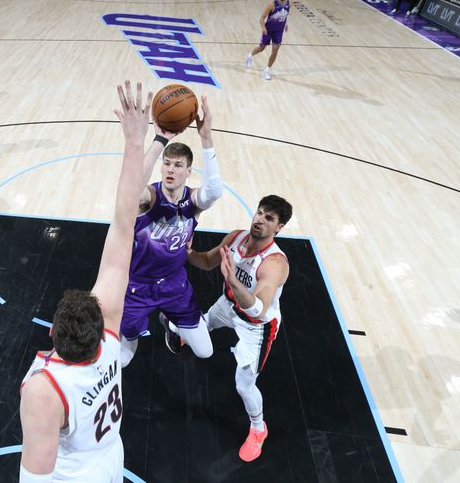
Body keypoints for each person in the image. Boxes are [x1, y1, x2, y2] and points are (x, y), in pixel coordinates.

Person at [19, 81, 150, 483]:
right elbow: (125, 224)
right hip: (111, 456)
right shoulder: (111, 336)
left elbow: (36, 477)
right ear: (101, 329)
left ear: (55, 332)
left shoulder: (45, 390)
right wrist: (138, 141)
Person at [118, 98, 223, 367]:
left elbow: (214, 191)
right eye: (167, 164)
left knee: (205, 351)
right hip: (137, 286)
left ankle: (170, 322)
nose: (170, 170)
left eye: (177, 165)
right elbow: (132, 184)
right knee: (125, 360)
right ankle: (145, 324)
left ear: (189, 171)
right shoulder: (149, 198)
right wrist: (159, 140)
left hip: (175, 285)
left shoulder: (193, 202)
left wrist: (206, 137)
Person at [187, 195, 292, 462]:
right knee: (198, 325)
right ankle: (179, 336)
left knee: (244, 385)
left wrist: (233, 280)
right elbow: (208, 261)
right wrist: (186, 252)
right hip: (229, 305)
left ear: (279, 227)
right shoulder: (235, 237)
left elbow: (257, 308)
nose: (260, 220)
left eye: (269, 218)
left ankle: (258, 429)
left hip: (257, 326)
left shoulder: (275, 263)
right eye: (259, 213)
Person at [245, 0, 291, 81]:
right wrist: (263, 27)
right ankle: (249, 55)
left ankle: (266, 70)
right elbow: (262, 18)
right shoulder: (272, 5)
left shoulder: (288, 3)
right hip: (268, 30)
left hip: (279, 32)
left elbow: (286, 14)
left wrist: (286, 24)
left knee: (275, 51)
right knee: (261, 48)